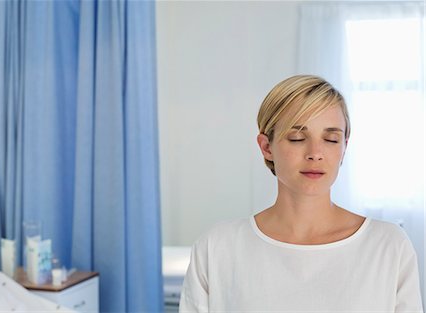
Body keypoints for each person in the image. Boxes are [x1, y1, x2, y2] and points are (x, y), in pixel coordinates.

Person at [178, 75, 424, 312]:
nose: (315, 153)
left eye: (330, 139)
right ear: (266, 147)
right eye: (297, 138)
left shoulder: (388, 246)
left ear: (344, 148)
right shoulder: (218, 248)